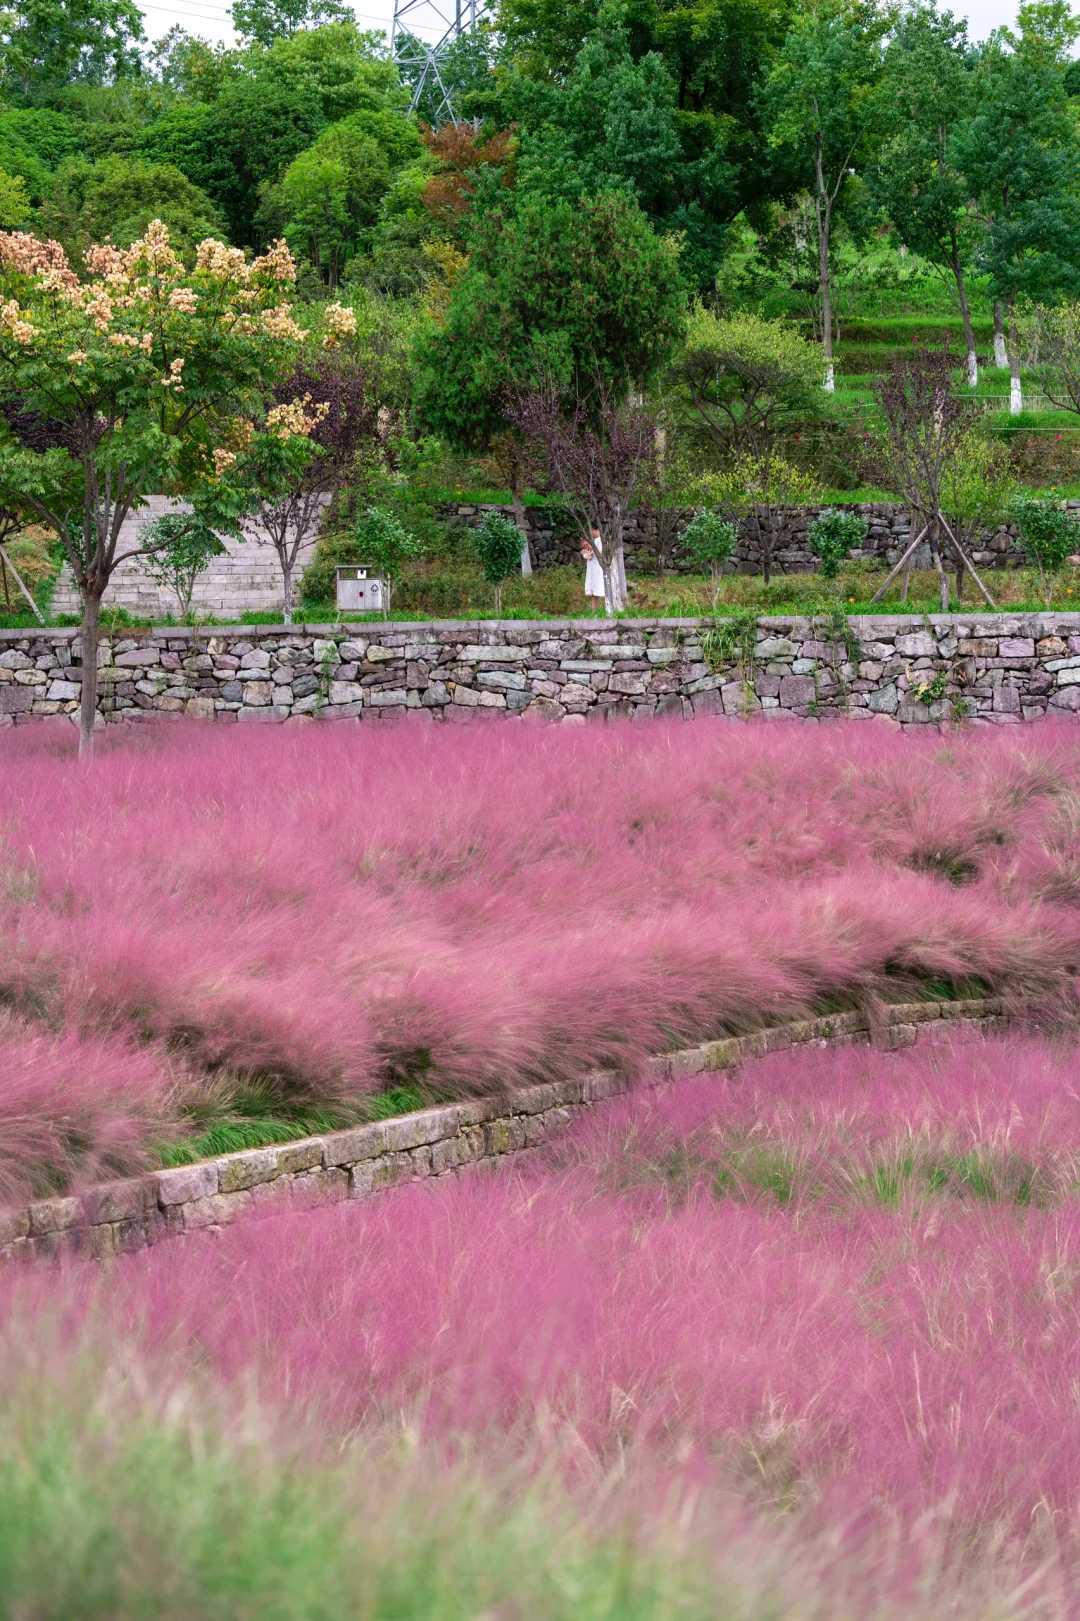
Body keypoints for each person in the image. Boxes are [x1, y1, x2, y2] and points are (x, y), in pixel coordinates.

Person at [582, 529, 605, 604]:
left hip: (598, 566)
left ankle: (609, 608)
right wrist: (586, 547)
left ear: (597, 530)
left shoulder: (602, 540)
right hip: (592, 565)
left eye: (592, 530)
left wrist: (591, 547)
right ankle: (594, 611)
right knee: (593, 588)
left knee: (598, 587)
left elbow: (601, 553)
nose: (591, 533)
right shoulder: (593, 540)